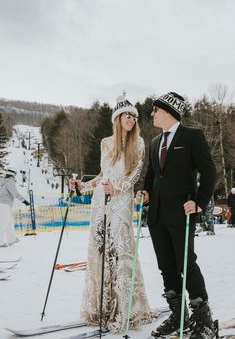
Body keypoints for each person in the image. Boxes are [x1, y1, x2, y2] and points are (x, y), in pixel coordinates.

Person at [136, 92, 217, 339]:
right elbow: (152, 175)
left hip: (182, 213)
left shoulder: (192, 136)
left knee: (186, 265)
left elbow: (210, 171)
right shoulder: (153, 143)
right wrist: (145, 191)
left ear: (169, 112)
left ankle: (204, 320)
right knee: (167, 267)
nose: (151, 114)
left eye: (155, 110)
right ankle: (179, 316)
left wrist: (199, 202)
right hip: (157, 215)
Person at [73, 95, 153, 333]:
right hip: (101, 201)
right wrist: (83, 186)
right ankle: (102, 307)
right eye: (127, 115)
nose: (131, 119)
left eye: (134, 116)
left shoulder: (138, 143)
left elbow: (134, 176)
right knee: (101, 250)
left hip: (121, 201)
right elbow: (102, 174)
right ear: (118, 118)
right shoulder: (106, 143)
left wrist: (116, 188)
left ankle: (124, 309)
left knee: (121, 252)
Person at [0, 166, 30, 247]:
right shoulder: (10, 181)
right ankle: (1, 242)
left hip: (2, 204)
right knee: (3, 223)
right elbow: (15, 193)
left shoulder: (1, 180)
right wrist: (24, 201)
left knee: (9, 222)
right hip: (4, 204)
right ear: (13, 174)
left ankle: (11, 239)